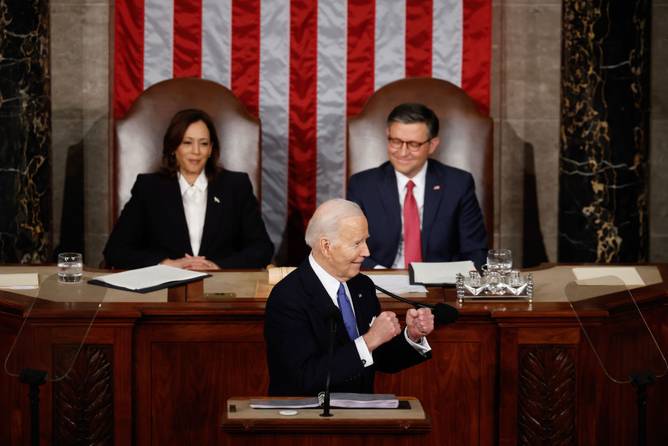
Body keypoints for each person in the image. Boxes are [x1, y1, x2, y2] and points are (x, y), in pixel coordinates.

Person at [264, 199, 434, 396]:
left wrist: (411, 335)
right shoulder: (287, 297)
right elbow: (302, 379)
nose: (367, 252)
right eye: (357, 243)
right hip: (309, 419)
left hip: (361, 417)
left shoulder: (362, 286)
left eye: (366, 240)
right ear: (326, 246)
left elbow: (379, 358)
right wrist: (369, 340)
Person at [103, 108, 273, 270]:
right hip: (164, 289)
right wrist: (167, 264)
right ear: (173, 148)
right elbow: (116, 250)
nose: (196, 151)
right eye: (187, 143)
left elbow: (262, 248)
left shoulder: (236, 186)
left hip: (222, 288)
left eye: (204, 143)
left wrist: (219, 266)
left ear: (211, 149)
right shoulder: (148, 188)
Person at [347, 102, 488, 269]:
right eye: (396, 141)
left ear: (432, 145)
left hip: (440, 285)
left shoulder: (458, 184)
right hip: (380, 283)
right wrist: (383, 276)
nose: (403, 152)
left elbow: (476, 251)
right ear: (388, 136)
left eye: (413, 144)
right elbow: (349, 248)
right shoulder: (362, 185)